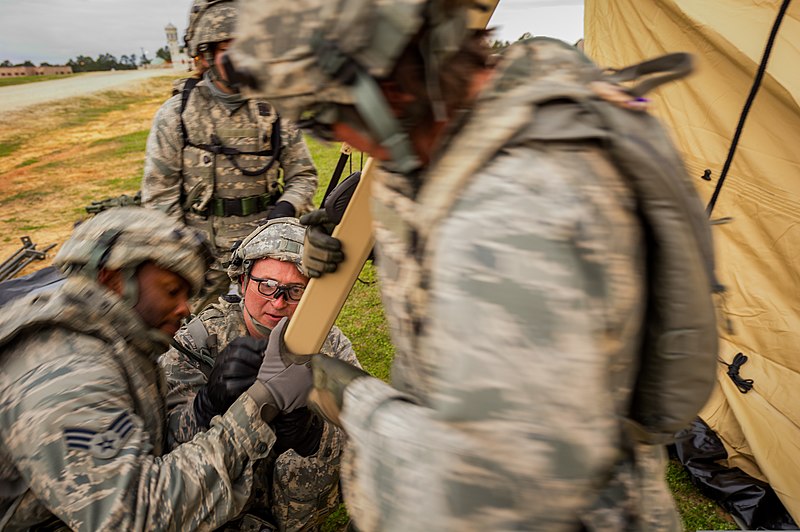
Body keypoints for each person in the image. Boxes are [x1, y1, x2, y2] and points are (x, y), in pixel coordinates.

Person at [228, 1, 721, 530]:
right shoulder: (478, 119)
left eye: (325, 120)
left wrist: (333, 386)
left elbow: (488, 492)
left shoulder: (512, 217)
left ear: (386, 91)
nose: (336, 139)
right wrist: (345, 234)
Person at [0, 207, 315, 530]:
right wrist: (261, 402)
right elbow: (136, 516)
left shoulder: (111, 342)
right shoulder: (67, 374)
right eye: (171, 291)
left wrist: (206, 410)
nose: (184, 308)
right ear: (113, 281)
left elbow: (144, 449)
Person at [160, 217, 360, 530]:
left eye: (295, 291)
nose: (278, 303)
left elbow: (364, 445)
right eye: (266, 285)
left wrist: (313, 436)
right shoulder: (198, 343)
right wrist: (206, 405)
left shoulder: (330, 345)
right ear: (241, 281)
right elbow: (167, 453)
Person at [141, 0, 319, 312]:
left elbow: (303, 176)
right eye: (229, 48)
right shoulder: (177, 115)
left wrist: (287, 206)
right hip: (200, 264)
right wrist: (182, 250)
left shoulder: (275, 111)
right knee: (201, 344)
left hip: (265, 258)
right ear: (207, 53)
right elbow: (158, 195)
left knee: (272, 338)